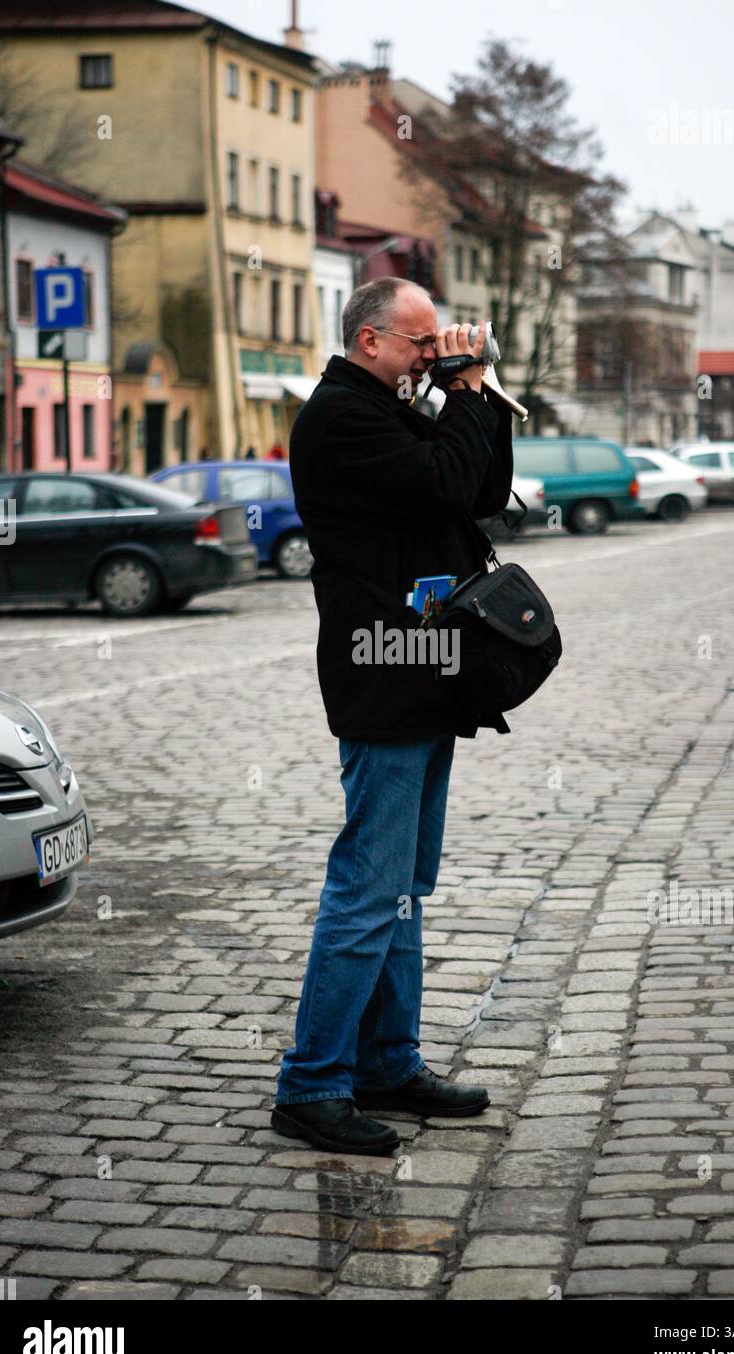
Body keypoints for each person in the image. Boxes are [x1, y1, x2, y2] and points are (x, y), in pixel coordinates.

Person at [271, 277, 513, 1155]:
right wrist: (460, 391)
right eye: (417, 343)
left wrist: (479, 394)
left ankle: (389, 1062)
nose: (429, 355)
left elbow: (478, 488)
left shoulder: (391, 403)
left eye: (432, 345)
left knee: (405, 891)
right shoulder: (343, 416)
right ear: (369, 340)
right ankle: (312, 1085)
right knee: (368, 891)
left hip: (424, 669)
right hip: (384, 672)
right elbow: (444, 480)